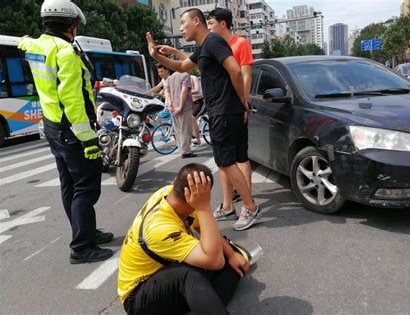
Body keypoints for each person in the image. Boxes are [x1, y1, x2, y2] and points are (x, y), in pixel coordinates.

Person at [146, 8, 262, 231]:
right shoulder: (204, 47)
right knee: (232, 160)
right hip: (228, 111)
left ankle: (250, 207)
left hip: (224, 112)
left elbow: (236, 72)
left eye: (183, 22)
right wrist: (157, 55)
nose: (180, 28)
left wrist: (243, 101)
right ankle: (230, 208)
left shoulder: (213, 41)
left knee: (227, 163)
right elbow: (180, 66)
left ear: (196, 21)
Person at [18, 0, 113, 264]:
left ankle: (86, 232)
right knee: (86, 187)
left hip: (52, 126)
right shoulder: (66, 53)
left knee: (69, 185)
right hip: (71, 130)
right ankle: (82, 247)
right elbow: (73, 101)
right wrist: (89, 139)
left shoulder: (37, 46)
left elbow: (25, 42)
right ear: (70, 25)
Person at [118, 163, 250, 314]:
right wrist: (204, 207)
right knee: (190, 273)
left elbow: (203, 227)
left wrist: (232, 254)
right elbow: (215, 261)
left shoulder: (169, 192)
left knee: (231, 256)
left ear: (175, 181)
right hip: (139, 297)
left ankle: (200, 302)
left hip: (166, 272)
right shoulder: (159, 227)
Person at [207, 8, 254, 221]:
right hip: (222, 109)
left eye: (211, 23)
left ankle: (247, 202)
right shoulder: (214, 45)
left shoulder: (240, 43)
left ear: (222, 24)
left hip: (235, 108)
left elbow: (245, 76)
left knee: (239, 157)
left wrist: (244, 104)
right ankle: (228, 205)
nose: (209, 28)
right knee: (224, 161)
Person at [167, 70, 197, 158]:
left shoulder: (171, 77)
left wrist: (170, 104)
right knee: (185, 129)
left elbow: (166, 92)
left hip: (173, 106)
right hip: (184, 106)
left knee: (178, 130)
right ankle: (186, 152)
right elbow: (184, 91)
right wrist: (181, 106)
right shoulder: (185, 75)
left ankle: (182, 149)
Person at [190, 74, 203, 145]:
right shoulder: (182, 80)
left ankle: (198, 139)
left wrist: (187, 91)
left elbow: (197, 90)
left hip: (200, 102)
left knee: (192, 118)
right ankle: (192, 134)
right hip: (191, 103)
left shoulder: (193, 78)